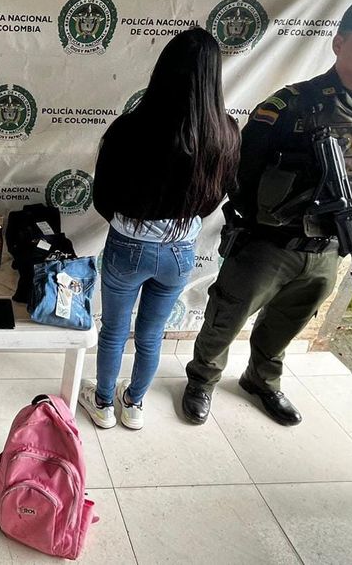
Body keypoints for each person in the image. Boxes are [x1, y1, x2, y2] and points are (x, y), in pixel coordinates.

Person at [183, 0, 352, 426]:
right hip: (269, 245)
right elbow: (239, 173)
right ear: (340, 41)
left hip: (332, 247)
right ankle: (202, 379)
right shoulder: (289, 106)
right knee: (226, 318)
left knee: (287, 324)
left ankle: (262, 380)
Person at [80, 28, 240, 430]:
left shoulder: (128, 129)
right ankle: (133, 406)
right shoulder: (225, 134)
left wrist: (135, 221)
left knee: (114, 330)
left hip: (127, 246)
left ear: (161, 69)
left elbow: (103, 196)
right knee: (151, 336)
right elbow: (216, 198)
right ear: (213, 76)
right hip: (180, 251)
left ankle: (102, 405)